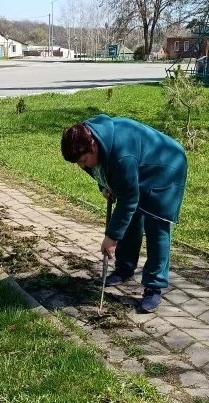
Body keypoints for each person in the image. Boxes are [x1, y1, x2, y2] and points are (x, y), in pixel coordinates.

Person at [60, 114, 188, 313]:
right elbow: (101, 170)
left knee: (156, 226)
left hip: (167, 166)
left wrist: (111, 237)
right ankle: (125, 268)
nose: (83, 166)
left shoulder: (121, 154)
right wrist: (105, 186)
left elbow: (129, 199)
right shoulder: (87, 137)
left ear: (92, 145)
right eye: (79, 163)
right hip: (138, 165)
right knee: (130, 219)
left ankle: (154, 286)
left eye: (84, 160)